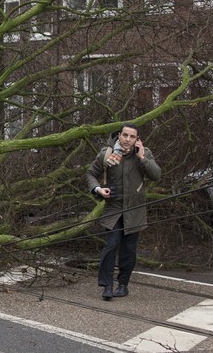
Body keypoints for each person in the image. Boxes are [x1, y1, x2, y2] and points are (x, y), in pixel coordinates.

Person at [86, 123, 161, 301]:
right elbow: (90, 173)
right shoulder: (107, 154)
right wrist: (98, 189)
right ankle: (107, 286)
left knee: (128, 251)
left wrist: (143, 158)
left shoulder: (143, 154)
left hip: (135, 210)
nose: (128, 140)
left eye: (132, 137)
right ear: (119, 135)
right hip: (113, 209)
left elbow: (156, 175)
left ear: (137, 139)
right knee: (111, 245)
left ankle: (123, 285)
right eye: (125, 135)